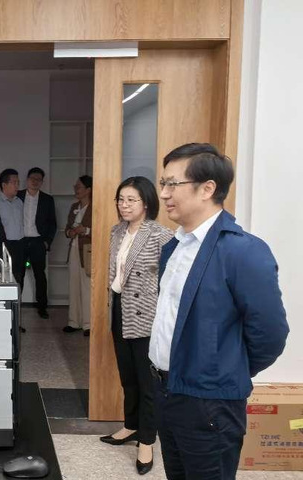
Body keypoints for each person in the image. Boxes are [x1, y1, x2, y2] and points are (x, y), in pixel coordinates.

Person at [149, 143, 289, 479]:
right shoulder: (174, 247)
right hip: (168, 392)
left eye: (172, 184)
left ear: (207, 188)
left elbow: (270, 334)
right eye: (163, 183)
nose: (164, 193)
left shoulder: (242, 251)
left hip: (209, 402)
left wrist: (224, 370)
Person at [99, 176, 173, 476]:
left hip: (146, 315)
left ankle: (147, 440)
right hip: (120, 308)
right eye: (121, 199)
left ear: (146, 203)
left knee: (147, 382)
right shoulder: (116, 231)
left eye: (131, 200)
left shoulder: (160, 235)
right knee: (128, 376)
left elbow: (170, 281)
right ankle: (130, 425)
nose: (124, 205)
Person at [17, 167, 57, 319]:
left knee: (40, 276)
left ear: (42, 182)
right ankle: (16, 306)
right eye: (32, 178)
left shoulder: (47, 199)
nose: (35, 182)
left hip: (38, 241)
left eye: (38, 179)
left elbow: (53, 223)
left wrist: (47, 242)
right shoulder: (18, 196)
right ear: (27, 179)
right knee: (18, 275)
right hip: (20, 241)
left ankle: (42, 307)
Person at [63, 175, 93, 336]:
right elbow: (67, 229)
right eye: (75, 186)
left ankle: (88, 324)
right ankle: (74, 322)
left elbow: (102, 230)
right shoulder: (74, 206)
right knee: (73, 285)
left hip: (88, 251)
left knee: (87, 286)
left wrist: (85, 230)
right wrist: (70, 232)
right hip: (74, 249)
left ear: (88, 190)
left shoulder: (95, 206)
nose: (76, 189)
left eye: (79, 186)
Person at [0, 168, 25, 289]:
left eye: (18, 182)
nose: (17, 186)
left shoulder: (19, 202)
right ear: (4, 185)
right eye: (14, 182)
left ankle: (18, 300)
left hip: (20, 244)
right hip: (4, 245)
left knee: (19, 277)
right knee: (5, 277)